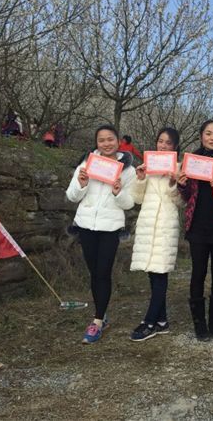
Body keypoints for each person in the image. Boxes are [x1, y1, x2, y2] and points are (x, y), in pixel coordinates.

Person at [66, 125, 136, 344]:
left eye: (110, 139)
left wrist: (118, 192)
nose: (106, 144)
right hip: (86, 225)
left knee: (103, 272)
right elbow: (72, 196)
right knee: (94, 272)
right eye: (102, 140)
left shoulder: (128, 171)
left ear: (118, 141)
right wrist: (81, 184)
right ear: (96, 143)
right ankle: (102, 314)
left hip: (110, 227)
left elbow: (129, 203)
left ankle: (96, 321)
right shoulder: (86, 164)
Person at [178, 120, 213, 341]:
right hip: (198, 225)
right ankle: (199, 323)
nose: (212, 138)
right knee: (198, 273)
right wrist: (182, 184)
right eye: (208, 133)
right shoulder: (192, 160)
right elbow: (187, 196)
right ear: (201, 136)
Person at [129, 127, 184, 342]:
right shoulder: (148, 166)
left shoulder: (179, 168)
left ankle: (149, 322)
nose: (163, 146)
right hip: (147, 223)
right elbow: (137, 199)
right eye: (160, 141)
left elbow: (181, 202)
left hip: (166, 225)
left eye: (168, 143)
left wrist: (173, 183)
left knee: (161, 273)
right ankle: (162, 321)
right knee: (152, 273)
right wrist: (141, 179)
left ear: (175, 147)